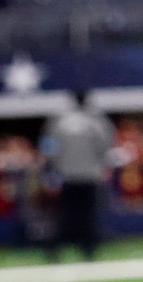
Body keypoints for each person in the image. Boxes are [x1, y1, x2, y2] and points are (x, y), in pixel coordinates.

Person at [41, 90, 111, 261]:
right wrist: (98, 164)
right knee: (87, 215)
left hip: (67, 175)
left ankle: (55, 249)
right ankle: (88, 249)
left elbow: (50, 147)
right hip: (89, 175)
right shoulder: (96, 121)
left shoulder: (59, 121)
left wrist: (55, 167)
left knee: (65, 215)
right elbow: (105, 146)